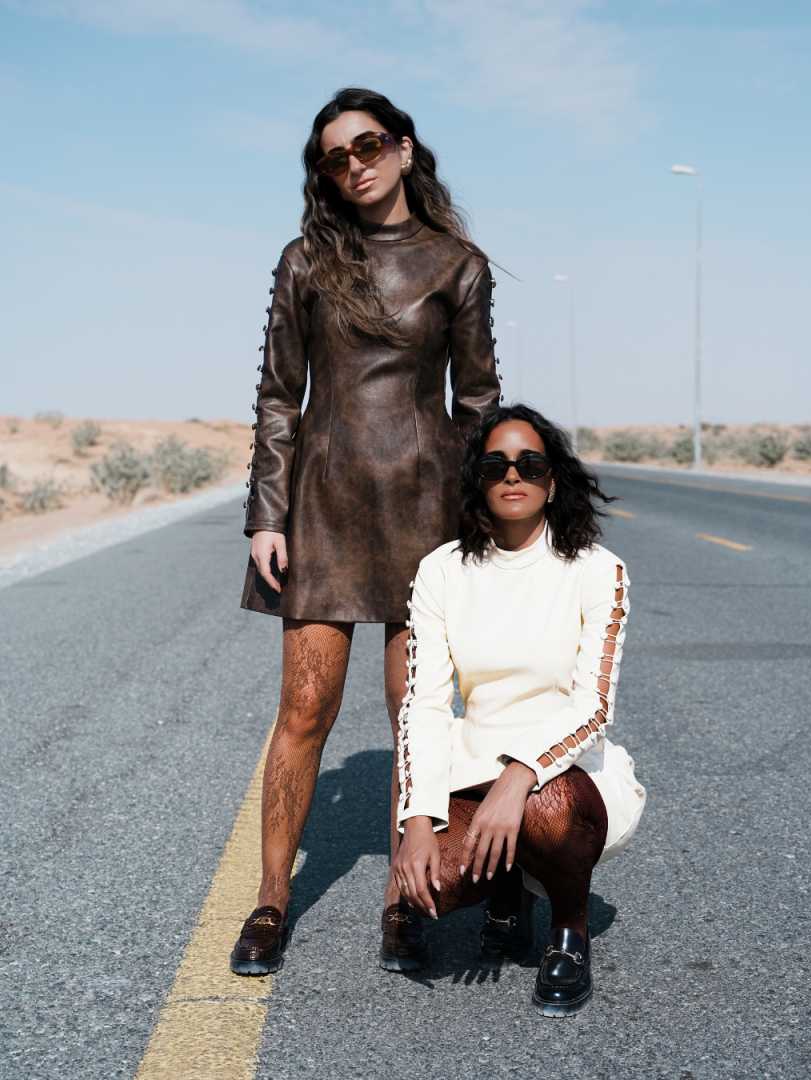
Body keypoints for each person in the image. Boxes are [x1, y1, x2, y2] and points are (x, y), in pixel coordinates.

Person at [230, 87, 502, 976]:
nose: (354, 164)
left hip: (426, 514)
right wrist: (266, 512)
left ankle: (403, 901)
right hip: (322, 507)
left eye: (369, 145)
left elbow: (477, 404)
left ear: (406, 149)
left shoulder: (459, 264)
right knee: (304, 712)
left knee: (412, 718)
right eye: (335, 158)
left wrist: (486, 519)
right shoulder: (307, 260)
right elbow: (280, 395)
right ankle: (271, 904)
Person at [391, 404, 646, 1016]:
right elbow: (423, 706)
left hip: (568, 773)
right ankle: (506, 895)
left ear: (552, 481)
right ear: (476, 479)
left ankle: (568, 929)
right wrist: (417, 822)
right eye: (496, 464)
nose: (513, 475)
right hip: (473, 767)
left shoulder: (597, 570)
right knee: (433, 886)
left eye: (529, 464)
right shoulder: (442, 570)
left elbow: (594, 706)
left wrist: (519, 772)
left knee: (547, 812)